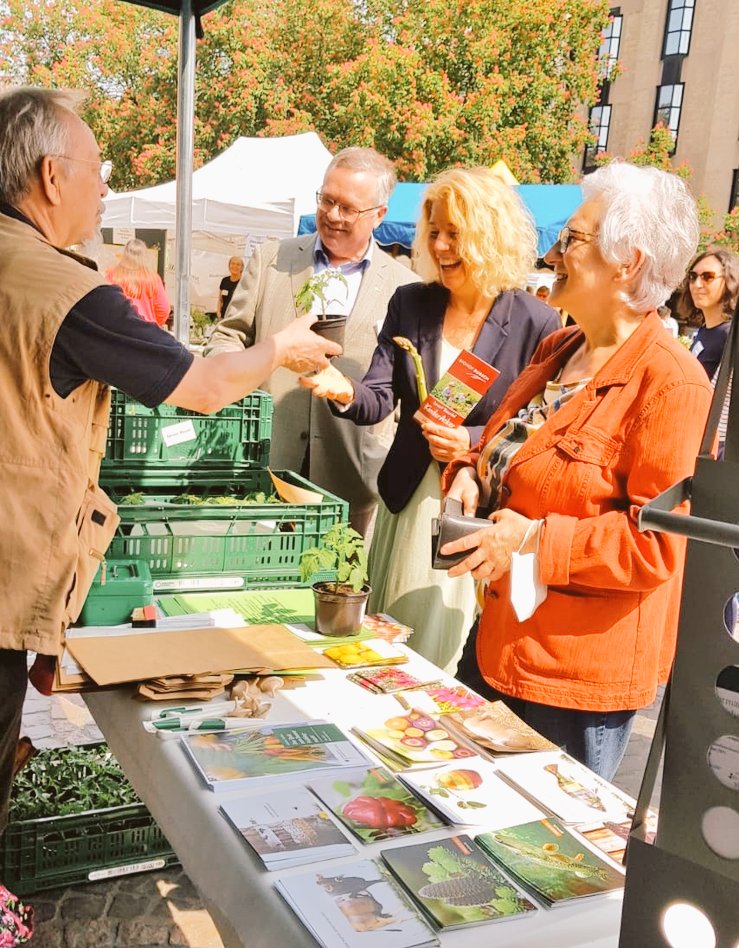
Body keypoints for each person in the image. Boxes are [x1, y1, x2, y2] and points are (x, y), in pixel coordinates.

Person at [0, 86, 341, 948]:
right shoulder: (64, 288)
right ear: (50, 176)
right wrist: (279, 350)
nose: (105, 186)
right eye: (99, 169)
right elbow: (202, 386)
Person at [441, 162, 713, 781]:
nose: (553, 253)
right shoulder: (557, 349)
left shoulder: (672, 383)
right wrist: (470, 473)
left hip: (573, 683)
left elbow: (655, 547)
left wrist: (532, 541)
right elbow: (508, 456)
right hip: (500, 642)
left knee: (538, 839)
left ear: (627, 264)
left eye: (572, 239)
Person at [301, 167, 560, 673]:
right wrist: (342, 389)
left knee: (446, 657)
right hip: (408, 501)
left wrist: (471, 439)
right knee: (388, 646)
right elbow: (379, 396)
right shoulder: (411, 302)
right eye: (434, 232)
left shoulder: (537, 321)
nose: (440, 246)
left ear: (490, 234)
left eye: (454, 233)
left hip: (474, 506)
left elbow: (538, 423)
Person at [204, 147, 417, 537]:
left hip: (352, 480)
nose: (333, 215)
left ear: (379, 215)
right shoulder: (272, 260)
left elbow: (408, 389)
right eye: (327, 200)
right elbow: (228, 336)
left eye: (348, 208)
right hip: (266, 467)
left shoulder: (404, 287)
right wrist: (241, 378)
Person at [677, 247, 739, 380]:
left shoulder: (731, 336)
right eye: (693, 276)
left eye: (708, 277)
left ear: (730, 281)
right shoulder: (705, 330)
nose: (697, 284)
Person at [105, 238, 171, 327]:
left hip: (120, 329)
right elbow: (164, 309)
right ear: (145, 256)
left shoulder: (112, 276)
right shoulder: (154, 279)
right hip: (146, 330)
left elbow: (106, 304)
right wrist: (154, 325)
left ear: (124, 255)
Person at [216, 255, 245, 319]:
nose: (235, 266)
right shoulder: (224, 280)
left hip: (236, 318)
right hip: (223, 317)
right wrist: (218, 312)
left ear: (242, 268)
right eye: (233, 263)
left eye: (238, 264)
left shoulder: (244, 283)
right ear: (229, 266)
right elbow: (220, 300)